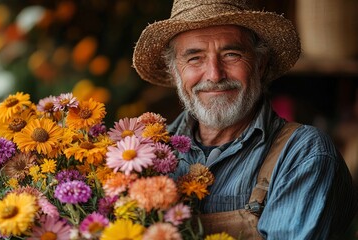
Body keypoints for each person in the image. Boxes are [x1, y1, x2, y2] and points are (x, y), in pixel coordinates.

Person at [132, 0, 358, 239]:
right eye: (195, 58)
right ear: (175, 71)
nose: (214, 75)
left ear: (260, 64)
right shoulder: (145, 155)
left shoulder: (303, 153)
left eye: (231, 55)